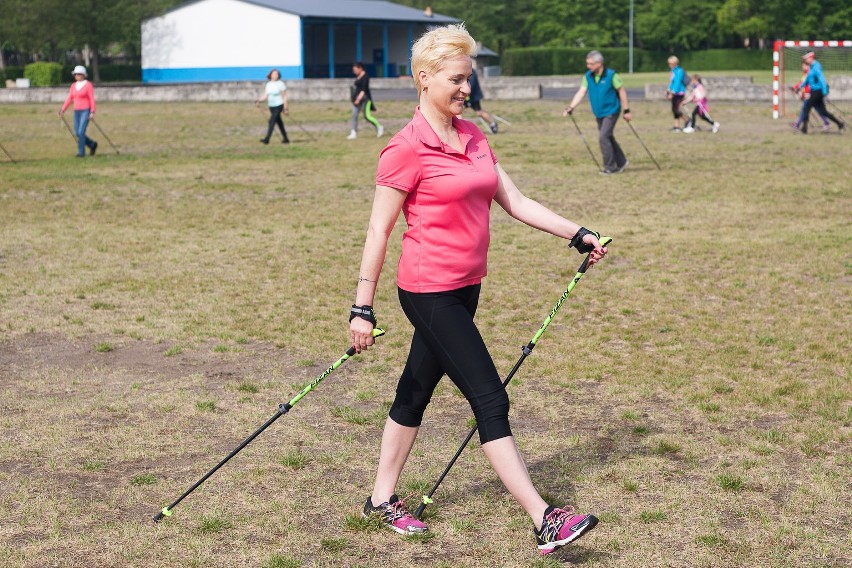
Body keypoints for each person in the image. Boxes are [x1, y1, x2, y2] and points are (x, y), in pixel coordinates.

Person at [349, 23, 607, 557]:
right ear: (424, 79)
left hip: (466, 289)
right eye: (456, 80)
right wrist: (362, 307)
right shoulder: (404, 149)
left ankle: (380, 500)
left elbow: (514, 199)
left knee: (414, 392)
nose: (466, 90)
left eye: (469, 80)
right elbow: (379, 229)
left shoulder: (472, 137)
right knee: (490, 398)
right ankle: (544, 518)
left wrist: (577, 233)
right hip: (427, 292)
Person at [563, 50, 631, 175]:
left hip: (611, 110)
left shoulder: (612, 75)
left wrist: (626, 110)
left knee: (603, 137)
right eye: (587, 64)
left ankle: (610, 167)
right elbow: (581, 92)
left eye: (590, 64)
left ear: (599, 63)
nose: (588, 66)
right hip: (599, 112)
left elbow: (622, 92)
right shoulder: (588, 76)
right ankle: (622, 161)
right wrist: (571, 107)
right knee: (608, 136)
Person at [796, 52, 845, 134]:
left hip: (818, 91)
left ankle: (804, 128)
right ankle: (840, 124)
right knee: (823, 111)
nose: (804, 60)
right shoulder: (811, 67)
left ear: (811, 58)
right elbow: (807, 79)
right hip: (814, 91)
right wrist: (800, 87)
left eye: (806, 58)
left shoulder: (816, 66)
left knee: (806, 107)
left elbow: (822, 79)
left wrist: (825, 92)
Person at [59, 65, 97, 158]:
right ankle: (92, 144)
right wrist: (63, 109)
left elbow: (92, 99)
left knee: (81, 132)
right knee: (77, 132)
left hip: (86, 110)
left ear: (83, 75)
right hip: (77, 111)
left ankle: (81, 152)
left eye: (79, 74)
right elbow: (69, 98)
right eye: (76, 74)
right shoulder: (73, 86)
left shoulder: (88, 85)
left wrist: (92, 111)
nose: (77, 76)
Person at [347, 62, 384, 139]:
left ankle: (379, 127)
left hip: (365, 100)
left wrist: (358, 99)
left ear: (360, 68)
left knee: (367, 116)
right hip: (357, 101)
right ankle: (353, 133)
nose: (354, 71)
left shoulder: (365, 76)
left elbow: (363, 90)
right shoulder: (358, 76)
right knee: (354, 115)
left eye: (355, 70)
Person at [790, 61, 829, 133]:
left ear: (808, 66)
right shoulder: (805, 74)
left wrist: (804, 93)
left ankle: (798, 124)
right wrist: (795, 87)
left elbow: (809, 85)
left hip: (811, 94)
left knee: (806, 109)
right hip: (810, 94)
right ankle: (826, 122)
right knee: (816, 109)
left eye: (804, 66)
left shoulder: (810, 73)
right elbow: (801, 83)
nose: (802, 67)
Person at [255, 69, 289, 144]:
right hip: (271, 106)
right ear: (270, 75)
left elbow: (284, 97)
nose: (275, 75)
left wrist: (285, 108)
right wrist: (259, 101)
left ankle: (267, 139)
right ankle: (285, 138)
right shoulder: (268, 84)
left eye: (276, 74)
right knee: (279, 122)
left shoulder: (281, 84)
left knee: (271, 121)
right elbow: (266, 96)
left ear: (278, 75)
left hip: (279, 105)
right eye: (273, 74)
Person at [465, 67, 498, 134]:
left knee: (479, 112)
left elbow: (472, 84)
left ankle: (493, 124)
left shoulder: (470, 70)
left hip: (473, 96)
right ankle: (460, 129)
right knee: (458, 112)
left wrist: (467, 96)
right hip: (467, 96)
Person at [666, 56, 688, 132]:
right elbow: (672, 82)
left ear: (674, 63)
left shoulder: (679, 71)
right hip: (673, 92)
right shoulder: (673, 71)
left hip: (679, 93)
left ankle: (687, 120)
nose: (669, 65)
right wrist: (668, 90)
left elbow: (677, 83)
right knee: (674, 109)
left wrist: (672, 93)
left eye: (670, 63)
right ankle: (676, 126)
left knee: (676, 109)